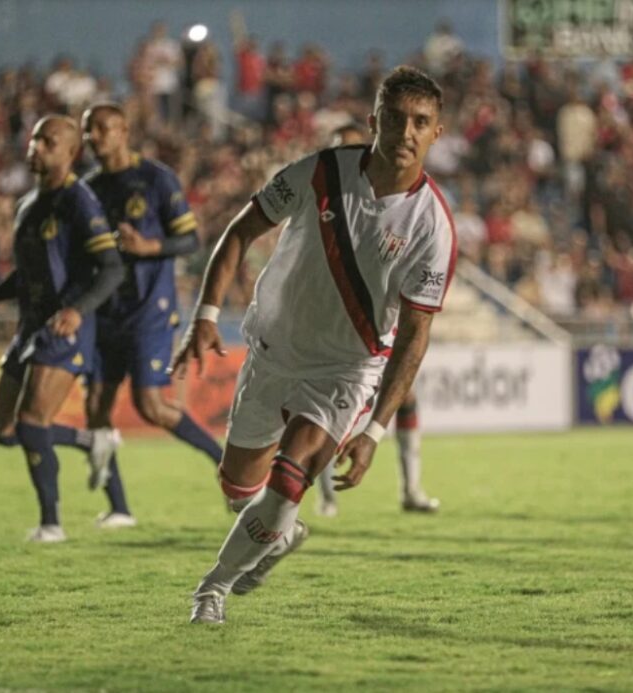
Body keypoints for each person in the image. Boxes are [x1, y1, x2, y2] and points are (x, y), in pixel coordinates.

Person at [172, 66, 456, 624]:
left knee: (291, 473)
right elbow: (239, 232)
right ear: (374, 121)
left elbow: (416, 337)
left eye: (421, 122)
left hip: (346, 370)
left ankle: (212, 589)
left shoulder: (433, 227)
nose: (406, 132)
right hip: (273, 352)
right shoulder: (320, 171)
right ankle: (276, 534)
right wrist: (205, 314)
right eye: (396, 119)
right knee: (239, 490)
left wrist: (375, 430)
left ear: (436, 134)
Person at [0, 115, 125, 542]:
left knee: (33, 420)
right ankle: (91, 443)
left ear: (71, 152)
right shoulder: (28, 205)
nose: (35, 146)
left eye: (48, 141)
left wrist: (78, 309)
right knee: (2, 431)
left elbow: (112, 269)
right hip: (30, 327)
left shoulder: (80, 201)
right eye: (35, 137)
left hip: (65, 326)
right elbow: (28, 273)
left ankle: (51, 524)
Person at [80, 103, 224, 528]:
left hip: (148, 311)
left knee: (151, 406)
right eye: (89, 131)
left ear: (124, 131)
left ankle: (225, 463)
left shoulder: (156, 178)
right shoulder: (87, 189)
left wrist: (149, 248)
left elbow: (191, 239)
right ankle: (119, 507)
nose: (96, 138)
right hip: (105, 312)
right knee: (95, 407)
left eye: (104, 129)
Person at [314, 123, 439, 517]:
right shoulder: (321, 201)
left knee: (406, 396)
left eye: (354, 149)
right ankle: (326, 496)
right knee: (322, 409)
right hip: (331, 324)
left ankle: (411, 489)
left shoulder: (394, 202)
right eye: (340, 150)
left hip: (382, 321)